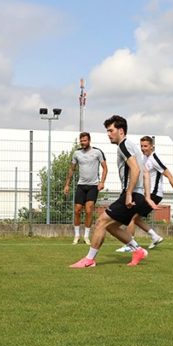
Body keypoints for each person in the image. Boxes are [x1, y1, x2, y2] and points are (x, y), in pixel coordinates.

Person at [69, 115, 150, 268]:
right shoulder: (131, 145)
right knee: (111, 226)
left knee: (100, 222)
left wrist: (129, 194)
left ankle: (89, 260)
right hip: (136, 194)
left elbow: (136, 169)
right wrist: (146, 196)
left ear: (121, 130)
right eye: (107, 131)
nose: (108, 134)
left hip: (131, 194)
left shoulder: (124, 145)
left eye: (110, 130)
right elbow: (144, 172)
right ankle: (138, 250)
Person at [115, 136, 173, 252]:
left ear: (152, 146)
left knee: (131, 216)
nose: (143, 148)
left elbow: (169, 176)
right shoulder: (143, 158)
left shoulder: (154, 159)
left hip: (154, 194)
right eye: (141, 146)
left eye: (146, 146)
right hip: (146, 193)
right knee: (135, 218)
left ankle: (130, 245)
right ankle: (154, 236)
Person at [63, 132, 108, 244]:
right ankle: (77, 235)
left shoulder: (97, 152)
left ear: (89, 140)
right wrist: (67, 184)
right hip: (81, 186)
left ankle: (86, 236)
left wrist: (102, 182)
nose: (83, 143)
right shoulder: (77, 153)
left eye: (85, 140)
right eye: (81, 141)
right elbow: (71, 169)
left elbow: (105, 168)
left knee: (89, 210)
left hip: (93, 186)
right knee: (77, 210)